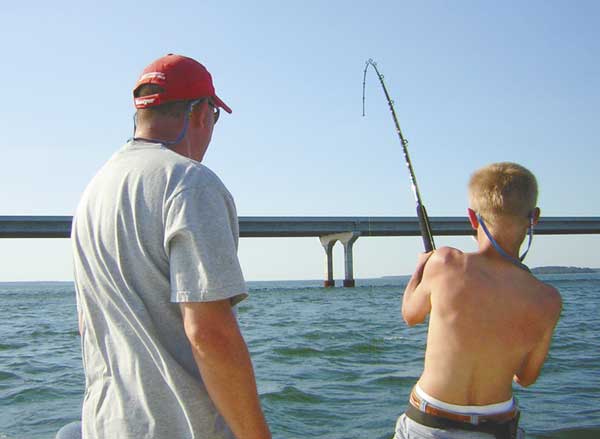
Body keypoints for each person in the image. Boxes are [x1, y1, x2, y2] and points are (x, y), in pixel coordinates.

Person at [70, 54, 271, 439]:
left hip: (105, 426)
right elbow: (209, 334)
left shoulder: (93, 191)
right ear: (200, 112)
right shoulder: (190, 184)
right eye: (215, 116)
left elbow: (87, 327)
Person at [393, 162, 562, 439]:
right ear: (535, 217)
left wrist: (421, 268)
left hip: (428, 422)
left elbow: (410, 315)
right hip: (497, 428)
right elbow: (526, 378)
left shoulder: (444, 262)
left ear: (472, 217)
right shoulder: (548, 299)